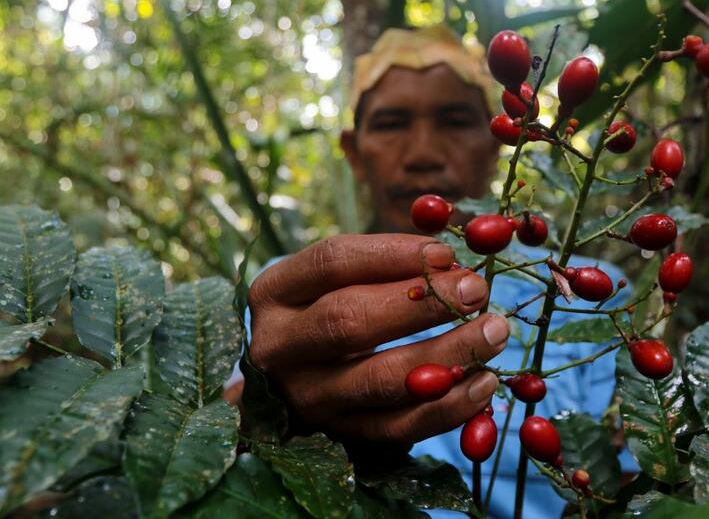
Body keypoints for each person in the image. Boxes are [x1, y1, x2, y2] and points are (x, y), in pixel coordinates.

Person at [225, 26, 634, 517]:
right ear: (355, 153)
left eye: (455, 120)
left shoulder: (586, 290)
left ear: (497, 139)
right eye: (392, 124)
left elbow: (626, 479)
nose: (422, 152)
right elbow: (224, 446)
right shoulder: (287, 290)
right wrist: (268, 409)